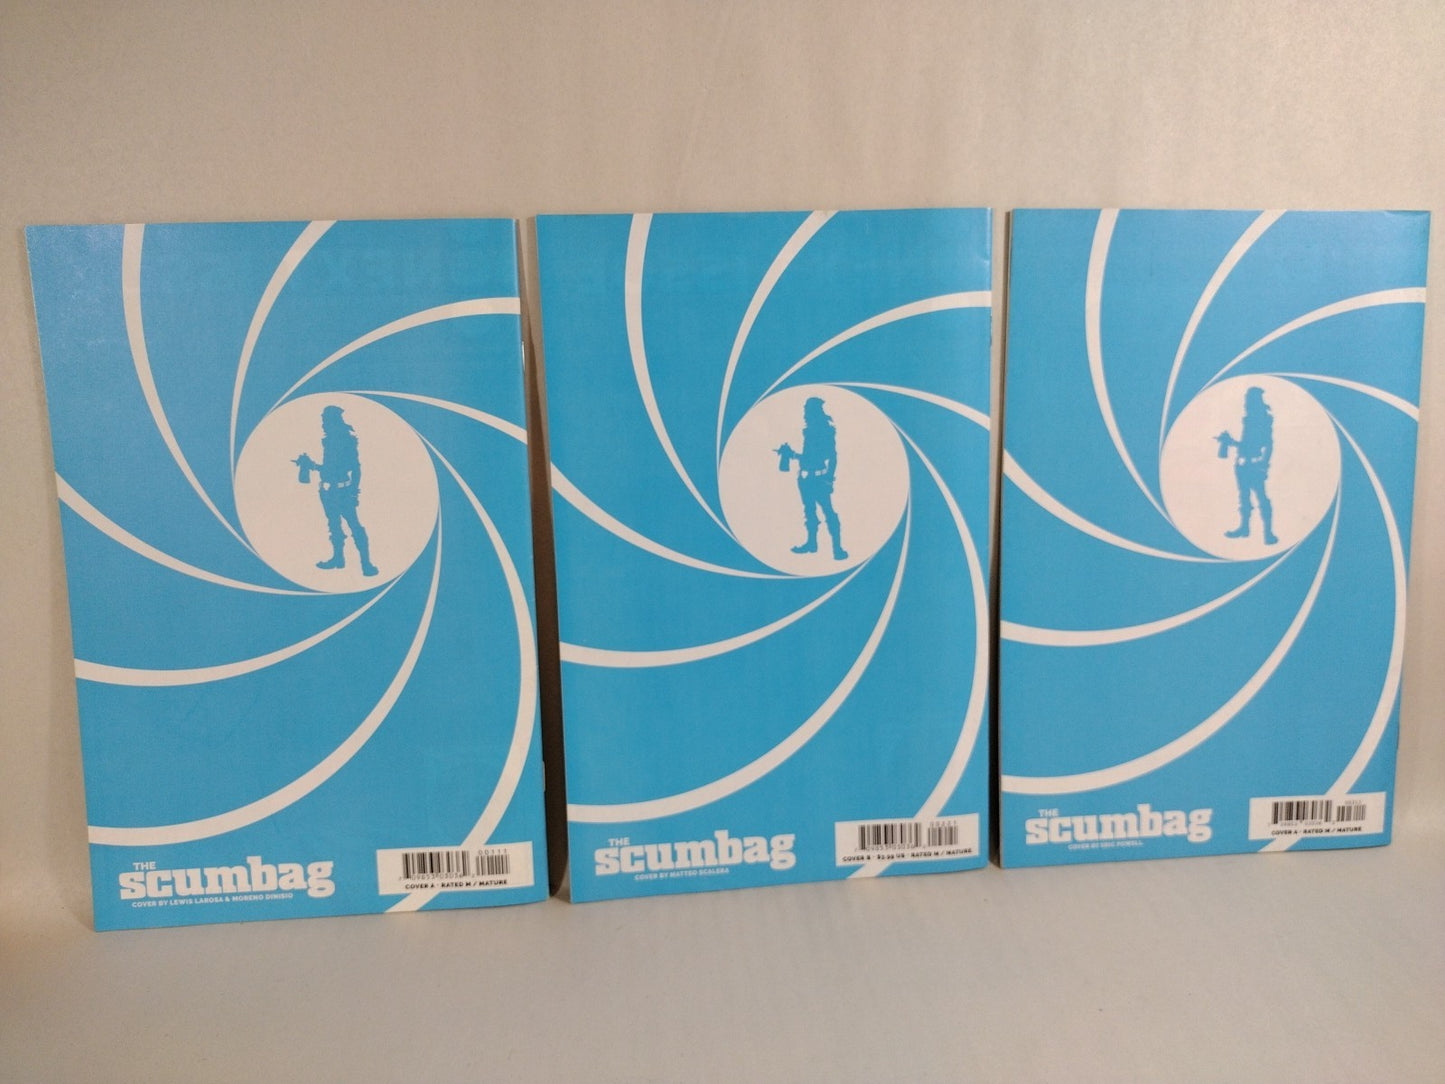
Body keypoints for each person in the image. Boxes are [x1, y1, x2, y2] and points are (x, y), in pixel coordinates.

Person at [295, 405, 378, 575]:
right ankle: (338, 559)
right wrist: (312, 465)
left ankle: (366, 564)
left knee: (354, 525)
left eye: (325, 420)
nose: (323, 424)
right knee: (334, 525)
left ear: (333, 421)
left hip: (342, 492)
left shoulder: (347, 441)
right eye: (323, 420)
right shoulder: (329, 441)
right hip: (328, 492)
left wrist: (353, 492)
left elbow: (355, 468)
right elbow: (330, 469)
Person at [778, 396, 848, 561]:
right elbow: (810, 458)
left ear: (813, 411)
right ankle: (812, 544)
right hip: (806, 479)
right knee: (810, 511)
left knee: (828, 512)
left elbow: (831, 457)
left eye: (807, 410)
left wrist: (829, 479)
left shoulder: (824, 431)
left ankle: (837, 549)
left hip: (818, 480)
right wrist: (792, 454)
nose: (804, 414)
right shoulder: (810, 431)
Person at [1217, 386, 1277, 546]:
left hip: (1255, 464)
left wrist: (1264, 464)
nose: (1246, 404)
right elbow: (1246, 444)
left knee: (1261, 497)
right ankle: (1245, 528)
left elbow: (1268, 444)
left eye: (1249, 400)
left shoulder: (1263, 420)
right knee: (1244, 497)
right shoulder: (1249, 419)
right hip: (1243, 464)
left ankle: (1268, 533)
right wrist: (1232, 442)